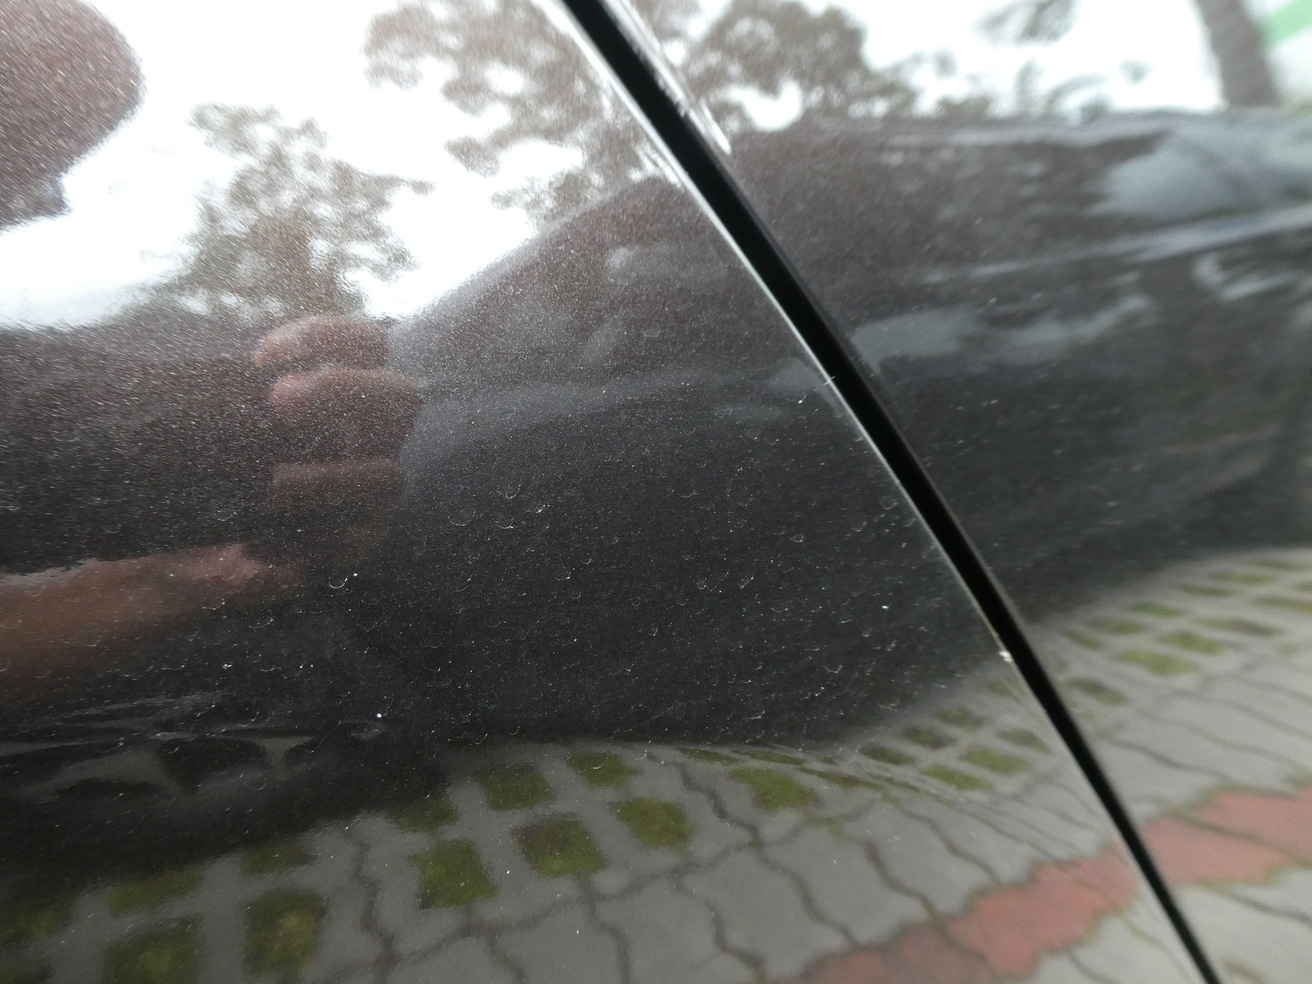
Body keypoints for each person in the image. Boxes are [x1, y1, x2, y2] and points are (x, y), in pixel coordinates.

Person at [0, 0, 420, 688]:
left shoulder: (42, 364)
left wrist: (176, 584)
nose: (46, 203)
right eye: (26, 161)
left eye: (36, 171)